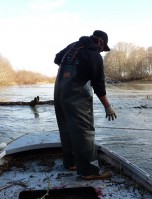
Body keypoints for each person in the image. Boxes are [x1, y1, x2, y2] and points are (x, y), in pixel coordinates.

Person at [53, 30, 117, 180]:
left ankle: (71, 163)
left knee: (66, 128)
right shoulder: (94, 55)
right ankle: (88, 170)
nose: (102, 51)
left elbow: (57, 59)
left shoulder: (72, 46)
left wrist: (69, 69)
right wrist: (108, 107)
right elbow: (99, 86)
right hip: (76, 98)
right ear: (100, 41)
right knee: (84, 132)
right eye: (103, 47)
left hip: (59, 94)